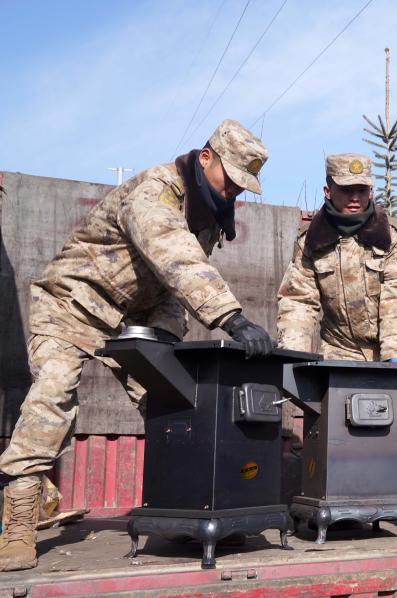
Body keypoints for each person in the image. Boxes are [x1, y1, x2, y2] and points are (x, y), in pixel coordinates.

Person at [0, 119, 274, 571]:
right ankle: (20, 519)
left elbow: (168, 288)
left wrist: (168, 348)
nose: (234, 194)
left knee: (172, 404)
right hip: (74, 302)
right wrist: (231, 317)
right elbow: (171, 252)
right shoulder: (157, 188)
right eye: (232, 180)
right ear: (206, 158)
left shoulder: (208, 216)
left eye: (243, 187)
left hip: (135, 320)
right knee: (53, 395)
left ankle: (191, 507)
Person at [277, 153, 397, 524]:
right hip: (341, 348)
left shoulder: (394, 239)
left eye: (362, 190)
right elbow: (300, 300)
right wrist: (293, 356)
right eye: (346, 189)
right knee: (331, 420)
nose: (355, 197)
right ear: (328, 190)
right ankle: (333, 492)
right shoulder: (310, 242)